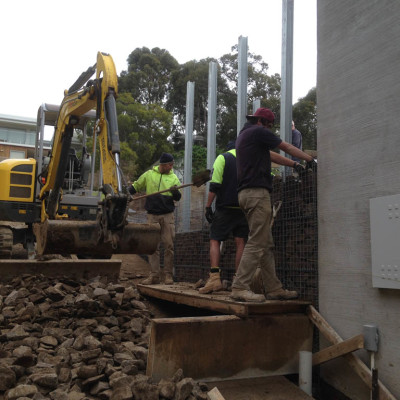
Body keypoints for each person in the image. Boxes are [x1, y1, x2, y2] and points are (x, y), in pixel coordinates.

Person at [231, 108, 316, 302]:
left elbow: (272, 155)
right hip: (257, 194)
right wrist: (310, 159)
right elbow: (284, 146)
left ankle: (274, 288)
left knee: (265, 244)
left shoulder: (245, 135)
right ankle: (239, 287)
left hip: (246, 194)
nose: (269, 129)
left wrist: (295, 165)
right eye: (269, 125)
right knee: (256, 241)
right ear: (261, 121)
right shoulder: (258, 132)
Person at [200, 140, 249, 294]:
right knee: (240, 241)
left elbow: (215, 185)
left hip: (225, 207)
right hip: (243, 207)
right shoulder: (247, 158)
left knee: (215, 239)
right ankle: (238, 280)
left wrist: (208, 206)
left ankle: (214, 279)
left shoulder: (223, 158)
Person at [129, 152, 181, 285]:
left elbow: (177, 197)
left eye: (172, 164)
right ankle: (154, 275)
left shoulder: (174, 178)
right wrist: (128, 193)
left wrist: (175, 192)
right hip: (152, 215)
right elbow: (136, 186)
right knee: (152, 247)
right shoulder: (149, 175)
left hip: (167, 215)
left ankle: (168, 275)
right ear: (162, 165)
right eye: (169, 165)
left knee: (168, 245)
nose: (171, 167)